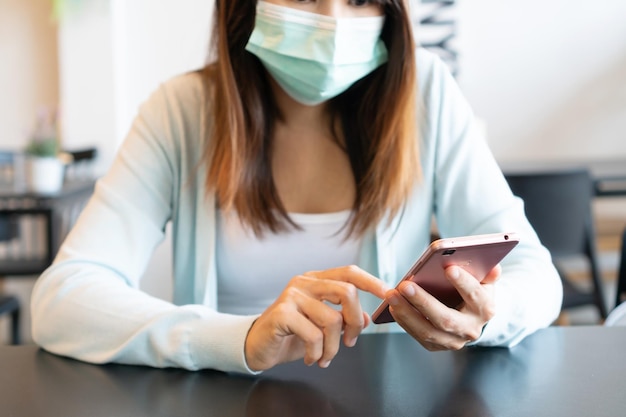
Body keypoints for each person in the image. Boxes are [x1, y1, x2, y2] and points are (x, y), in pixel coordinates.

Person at [31, 0, 562, 373]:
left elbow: (536, 276)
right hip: (225, 396)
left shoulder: (425, 94)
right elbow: (63, 300)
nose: (333, 22)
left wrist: (488, 315)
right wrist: (238, 339)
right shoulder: (182, 111)